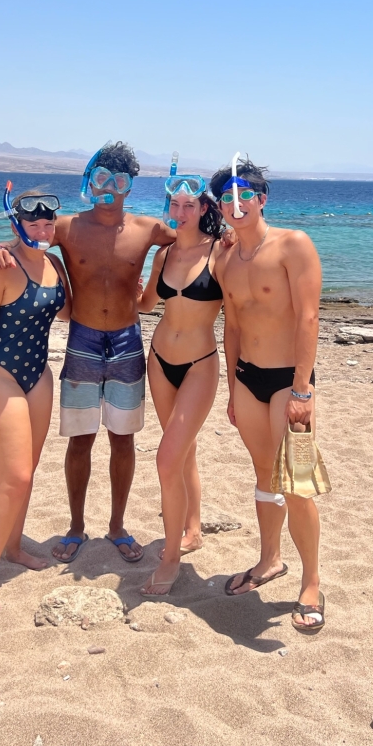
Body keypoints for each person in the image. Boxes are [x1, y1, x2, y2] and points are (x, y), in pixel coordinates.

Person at [0, 142, 177, 565]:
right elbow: (29, 233)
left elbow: (192, 238)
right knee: (81, 438)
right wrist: (0, 245)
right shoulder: (68, 227)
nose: (112, 188)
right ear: (91, 181)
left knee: (123, 438)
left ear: (131, 186)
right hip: (83, 340)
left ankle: (117, 526)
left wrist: (228, 233)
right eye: (104, 178)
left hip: (127, 340)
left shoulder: (148, 228)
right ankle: (76, 526)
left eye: (122, 181)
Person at [213, 157, 326, 632]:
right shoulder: (223, 257)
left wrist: (302, 388)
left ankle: (313, 581)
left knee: (297, 483)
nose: (235, 204)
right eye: (226, 197)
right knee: (264, 475)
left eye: (244, 194)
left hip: (289, 384)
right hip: (248, 380)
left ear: (261, 198)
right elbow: (232, 324)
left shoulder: (293, 245)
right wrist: (233, 386)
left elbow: (308, 318)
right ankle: (269, 560)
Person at [0, 187, 71, 612]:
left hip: (38, 376)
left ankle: (14, 548)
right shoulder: (0, 269)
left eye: (48, 223)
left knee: (28, 471)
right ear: (16, 225)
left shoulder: (55, 265)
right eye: (33, 223)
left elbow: (65, 312)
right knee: (15, 477)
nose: (41, 229)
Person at [137, 174, 224, 595]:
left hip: (199, 364)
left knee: (167, 458)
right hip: (159, 361)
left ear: (205, 209)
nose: (181, 212)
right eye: (176, 205)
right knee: (180, 446)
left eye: (191, 205)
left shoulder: (222, 252)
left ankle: (171, 558)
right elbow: (146, 304)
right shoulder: (164, 253)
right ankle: (192, 526)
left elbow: (244, 307)